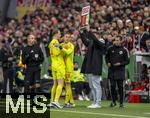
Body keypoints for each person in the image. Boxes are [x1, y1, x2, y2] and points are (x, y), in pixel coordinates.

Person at [80, 26, 105, 108]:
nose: (94, 35)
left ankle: (98, 103)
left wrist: (89, 31)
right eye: (94, 34)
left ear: (99, 35)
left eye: (95, 34)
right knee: (91, 86)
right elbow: (85, 41)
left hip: (96, 66)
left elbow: (95, 40)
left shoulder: (101, 41)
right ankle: (94, 102)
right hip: (90, 66)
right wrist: (82, 33)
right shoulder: (92, 42)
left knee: (96, 85)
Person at [105, 36, 130, 107]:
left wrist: (120, 63)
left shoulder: (124, 49)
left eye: (118, 40)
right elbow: (106, 57)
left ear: (121, 41)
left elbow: (128, 61)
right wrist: (108, 63)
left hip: (120, 71)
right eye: (115, 40)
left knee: (120, 87)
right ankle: (113, 101)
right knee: (112, 86)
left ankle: (121, 103)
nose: (116, 41)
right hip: (111, 71)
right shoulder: (110, 48)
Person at [49, 30, 65, 108]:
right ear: (55, 34)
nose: (60, 35)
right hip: (59, 64)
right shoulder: (55, 42)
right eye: (59, 33)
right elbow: (57, 52)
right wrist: (62, 47)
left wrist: (60, 45)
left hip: (54, 64)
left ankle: (52, 101)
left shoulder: (51, 42)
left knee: (55, 84)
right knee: (60, 84)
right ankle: (56, 101)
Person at [61, 32, 75, 107]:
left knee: (68, 85)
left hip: (69, 68)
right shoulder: (62, 45)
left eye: (68, 37)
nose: (66, 38)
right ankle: (71, 101)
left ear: (70, 39)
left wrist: (61, 48)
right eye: (65, 36)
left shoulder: (71, 46)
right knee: (65, 85)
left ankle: (66, 102)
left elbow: (67, 52)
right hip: (63, 68)